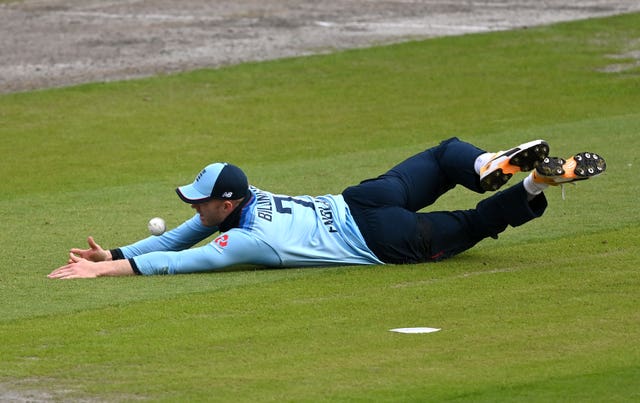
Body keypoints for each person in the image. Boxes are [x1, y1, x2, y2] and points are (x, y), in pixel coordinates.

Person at [48, 137, 606, 279]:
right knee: (441, 157)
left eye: (200, 200)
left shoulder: (245, 239)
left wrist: (103, 271)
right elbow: (172, 240)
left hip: (381, 235)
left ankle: (531, 182)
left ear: (226, 202)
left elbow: (179, 262)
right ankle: (488, 165)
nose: (194, 208)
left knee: (472, 225)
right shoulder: (247, 202)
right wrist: (115, 252)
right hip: (362, 199)